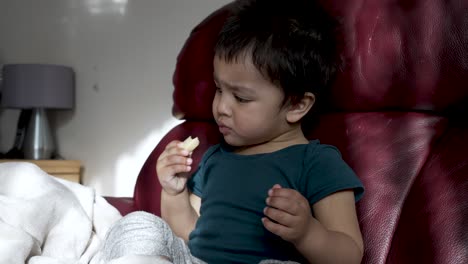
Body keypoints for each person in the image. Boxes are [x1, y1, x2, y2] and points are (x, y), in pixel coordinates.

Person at [96, 0, 364, 263]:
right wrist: (174, 192)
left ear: (296, 105)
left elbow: (350, 253)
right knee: (138, 223)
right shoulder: (215, 158)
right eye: (219, 89)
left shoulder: (317, 162)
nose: (221, 107)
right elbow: (189, 233)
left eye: (241, 98)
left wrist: (308, 233)